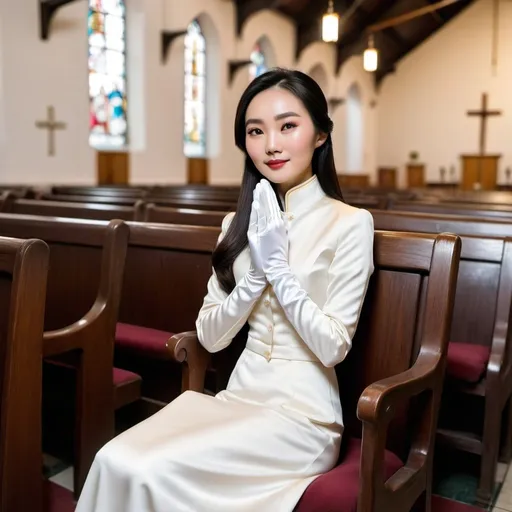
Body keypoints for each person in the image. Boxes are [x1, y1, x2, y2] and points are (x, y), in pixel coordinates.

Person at [75, 68, 374, 512]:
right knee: (114, 457)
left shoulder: (350, 223)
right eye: (256, 131)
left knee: (147, 470)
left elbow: (333, 347)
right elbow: (211, 337)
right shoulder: (235, 226)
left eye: (288, 125)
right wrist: (253, 278)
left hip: (303, 418)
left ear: (320, 135)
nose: (270, 144)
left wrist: (278, 269)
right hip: (237, 398)